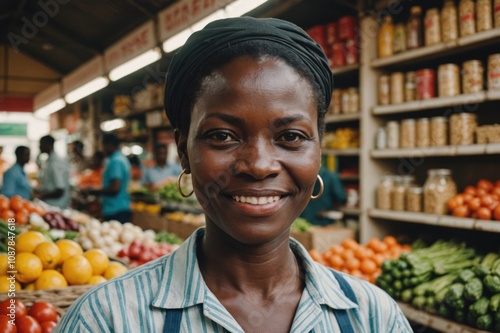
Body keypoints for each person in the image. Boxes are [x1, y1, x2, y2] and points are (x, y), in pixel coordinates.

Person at [55, 17, 412, 332]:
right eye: (222, 136)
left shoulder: (374, 317)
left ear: (318, 150)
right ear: (184, 152)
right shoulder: (107, 319)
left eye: (290, 137)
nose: (258, 165)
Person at [89, 133, 132, 223]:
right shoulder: (122, 158)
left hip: (115, 210)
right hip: (122, 207)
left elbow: (115, 188)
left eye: (103, 145)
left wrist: (96, 191)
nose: (102, 149)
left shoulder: (115, 161)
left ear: (109, 145)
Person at [36, 135, 70, 208]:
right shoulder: (50, 161)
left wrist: (41, 196)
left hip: (56, 205)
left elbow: (60, 189)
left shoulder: (56, 162)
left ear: (48, 145)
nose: (39, 147)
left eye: (41, 144)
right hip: (51, 204)